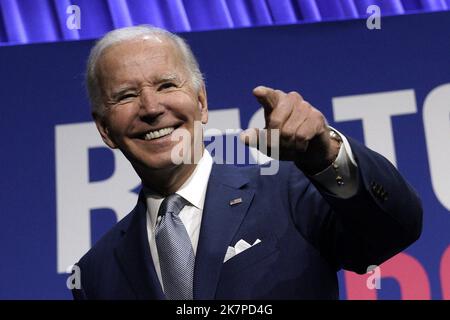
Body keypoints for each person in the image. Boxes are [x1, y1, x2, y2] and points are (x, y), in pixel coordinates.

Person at [72, 25, 422, 300]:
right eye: (127, 96)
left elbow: (395, 229)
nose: (150, 108)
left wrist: (325, 155)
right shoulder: (95, 274)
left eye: (166, 85)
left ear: (202, 102)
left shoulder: (288, 191)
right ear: (105, 129)